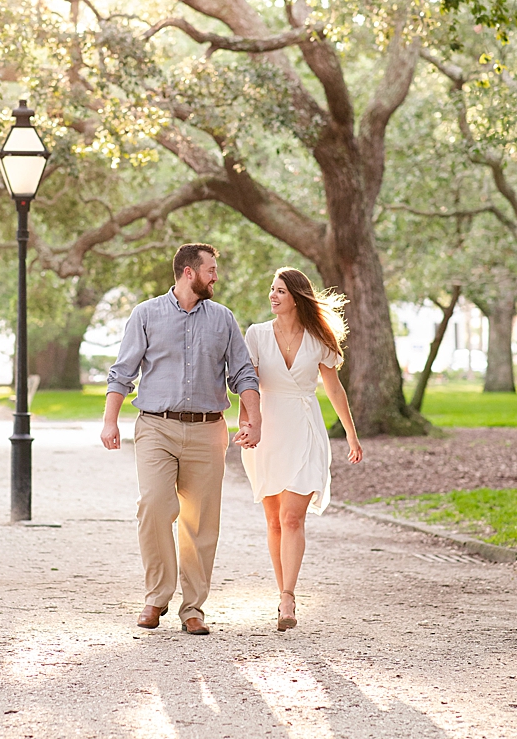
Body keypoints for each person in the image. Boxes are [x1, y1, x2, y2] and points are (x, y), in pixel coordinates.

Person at [101, 243, 261, 635]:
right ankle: (156, 596)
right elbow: (122, 371)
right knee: (154, 505)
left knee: (200, 521)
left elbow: (243, 374)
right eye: (211, 269)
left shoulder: (223, 318)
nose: (216, 276)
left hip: (208, 429)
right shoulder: (146, 314)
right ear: (188, 272)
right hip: (156, 425)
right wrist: (110, 421)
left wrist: (253, 419)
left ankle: (193, 608)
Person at [240, 266, 363, 631]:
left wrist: (352, 436)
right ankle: (282, 593)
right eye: (271, 289)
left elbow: (334, 389)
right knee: (274, 519)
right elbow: (248, 385)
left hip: (305, 429)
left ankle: (288, 597)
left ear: (296, 296)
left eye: (279, 290)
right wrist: (247, 424)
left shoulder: (319, 338)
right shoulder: (257, 335)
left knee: (293, 517)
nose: (272, 295)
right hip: (267, 430)